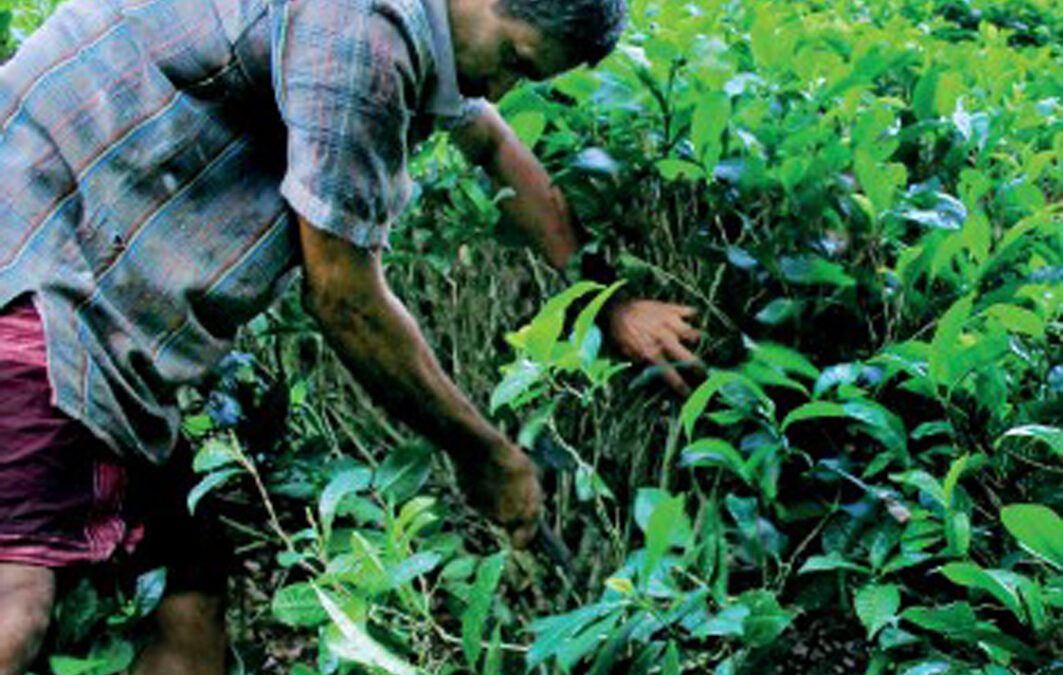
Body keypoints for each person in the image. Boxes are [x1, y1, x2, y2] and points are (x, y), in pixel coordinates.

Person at [0, 0, 703, 670]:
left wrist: (606, 301)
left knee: (190, 606)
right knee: (16, 608)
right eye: (513, 57)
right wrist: (484, 454)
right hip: (41, 275)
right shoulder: (361, 32)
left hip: (117, 333)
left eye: (525, 76)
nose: (501, 83)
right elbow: (343, 297)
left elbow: (491, 143)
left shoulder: (436, 36)